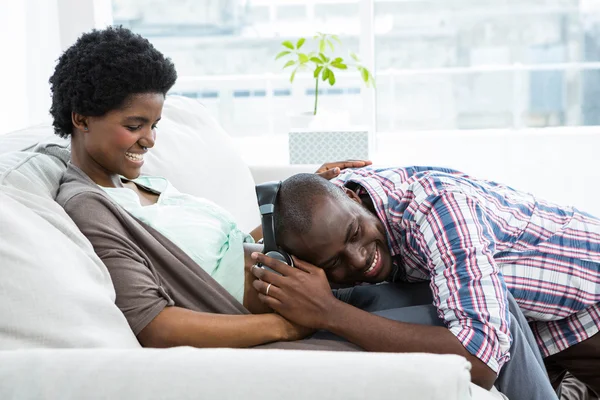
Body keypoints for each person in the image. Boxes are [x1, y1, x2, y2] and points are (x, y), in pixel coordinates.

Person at [51, 26, 370, 351]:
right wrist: (287, 327)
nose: (149, 140)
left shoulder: (143, 184)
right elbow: (155, 326)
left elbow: (224, 257)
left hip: (324, 285)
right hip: (301, 316)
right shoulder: (90, 207)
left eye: (153, 125)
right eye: (134, 126)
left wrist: (300, 193)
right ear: (81, 120)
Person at [250, 167, 600, 398]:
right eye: (333, 262)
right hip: (531, 327)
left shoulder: (440, 209)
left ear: (354, 199)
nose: (357, 258)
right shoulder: (328, 214)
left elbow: (480, 361)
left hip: (588, 306)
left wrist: (329, 312)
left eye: (355, 233)